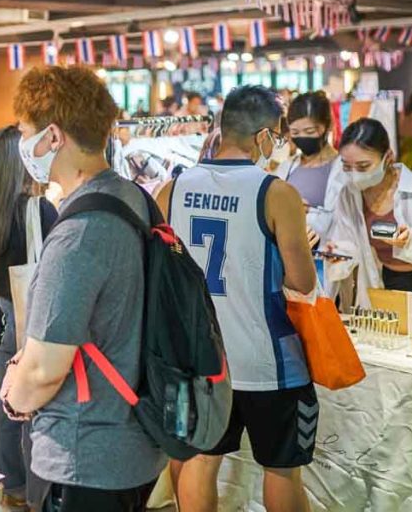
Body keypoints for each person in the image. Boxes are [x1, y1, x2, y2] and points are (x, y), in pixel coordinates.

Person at [0, 66, 166, 512]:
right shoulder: (133, 198)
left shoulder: (79, 233)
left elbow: (44, 371)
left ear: (53, 136)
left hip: (84, 455)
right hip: (135, 441)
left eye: (24, 132)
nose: (22, 146)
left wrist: (13, 397)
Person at [156, 85, 317, 512]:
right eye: (278, 137)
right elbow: (302, 281)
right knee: (281, 469)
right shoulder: (276, 192)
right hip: (265, 360)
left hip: (201, 357)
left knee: (200, 460)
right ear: (264, 137)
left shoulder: (172, 191)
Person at [0, 125, 56, 509]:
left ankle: (10, 484)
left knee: (9, 400)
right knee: (42, 402)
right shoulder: (39, 209)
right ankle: (40, 486)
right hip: (38, 315)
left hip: (4, 311)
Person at [325, 118, 412, 303]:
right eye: (346, 166)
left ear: (388, 158)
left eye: (363, 166)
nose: (355, 174)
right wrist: (337, 254)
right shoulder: (349, 194)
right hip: (378, 286)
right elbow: (346, 242)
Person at [276, 91, 345, 246]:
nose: (302, 137)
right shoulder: (286, 168)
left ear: (327, 126)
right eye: (295, 132)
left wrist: (309, 214)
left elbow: (345, 224)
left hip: (325, 260)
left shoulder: (342, 169)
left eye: (309, 132)